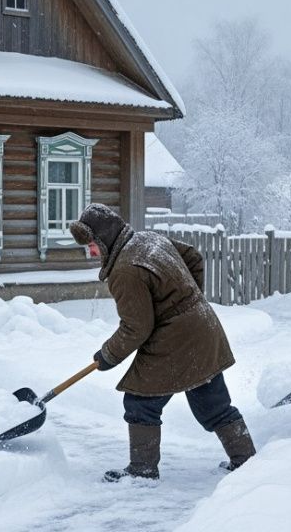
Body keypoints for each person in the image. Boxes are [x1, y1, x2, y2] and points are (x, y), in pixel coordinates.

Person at [68, 203, 256, 481]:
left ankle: (142, 472)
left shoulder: (124, 271)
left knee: (140, 403)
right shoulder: (149, 239)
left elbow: (136, 328)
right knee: (213, 404)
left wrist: (107, 355)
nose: (91, 252)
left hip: (174, 339)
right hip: (203, 327)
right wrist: (187, 300)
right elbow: (194, 258)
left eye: (92, 245)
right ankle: (247, 461)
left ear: (105, 238)